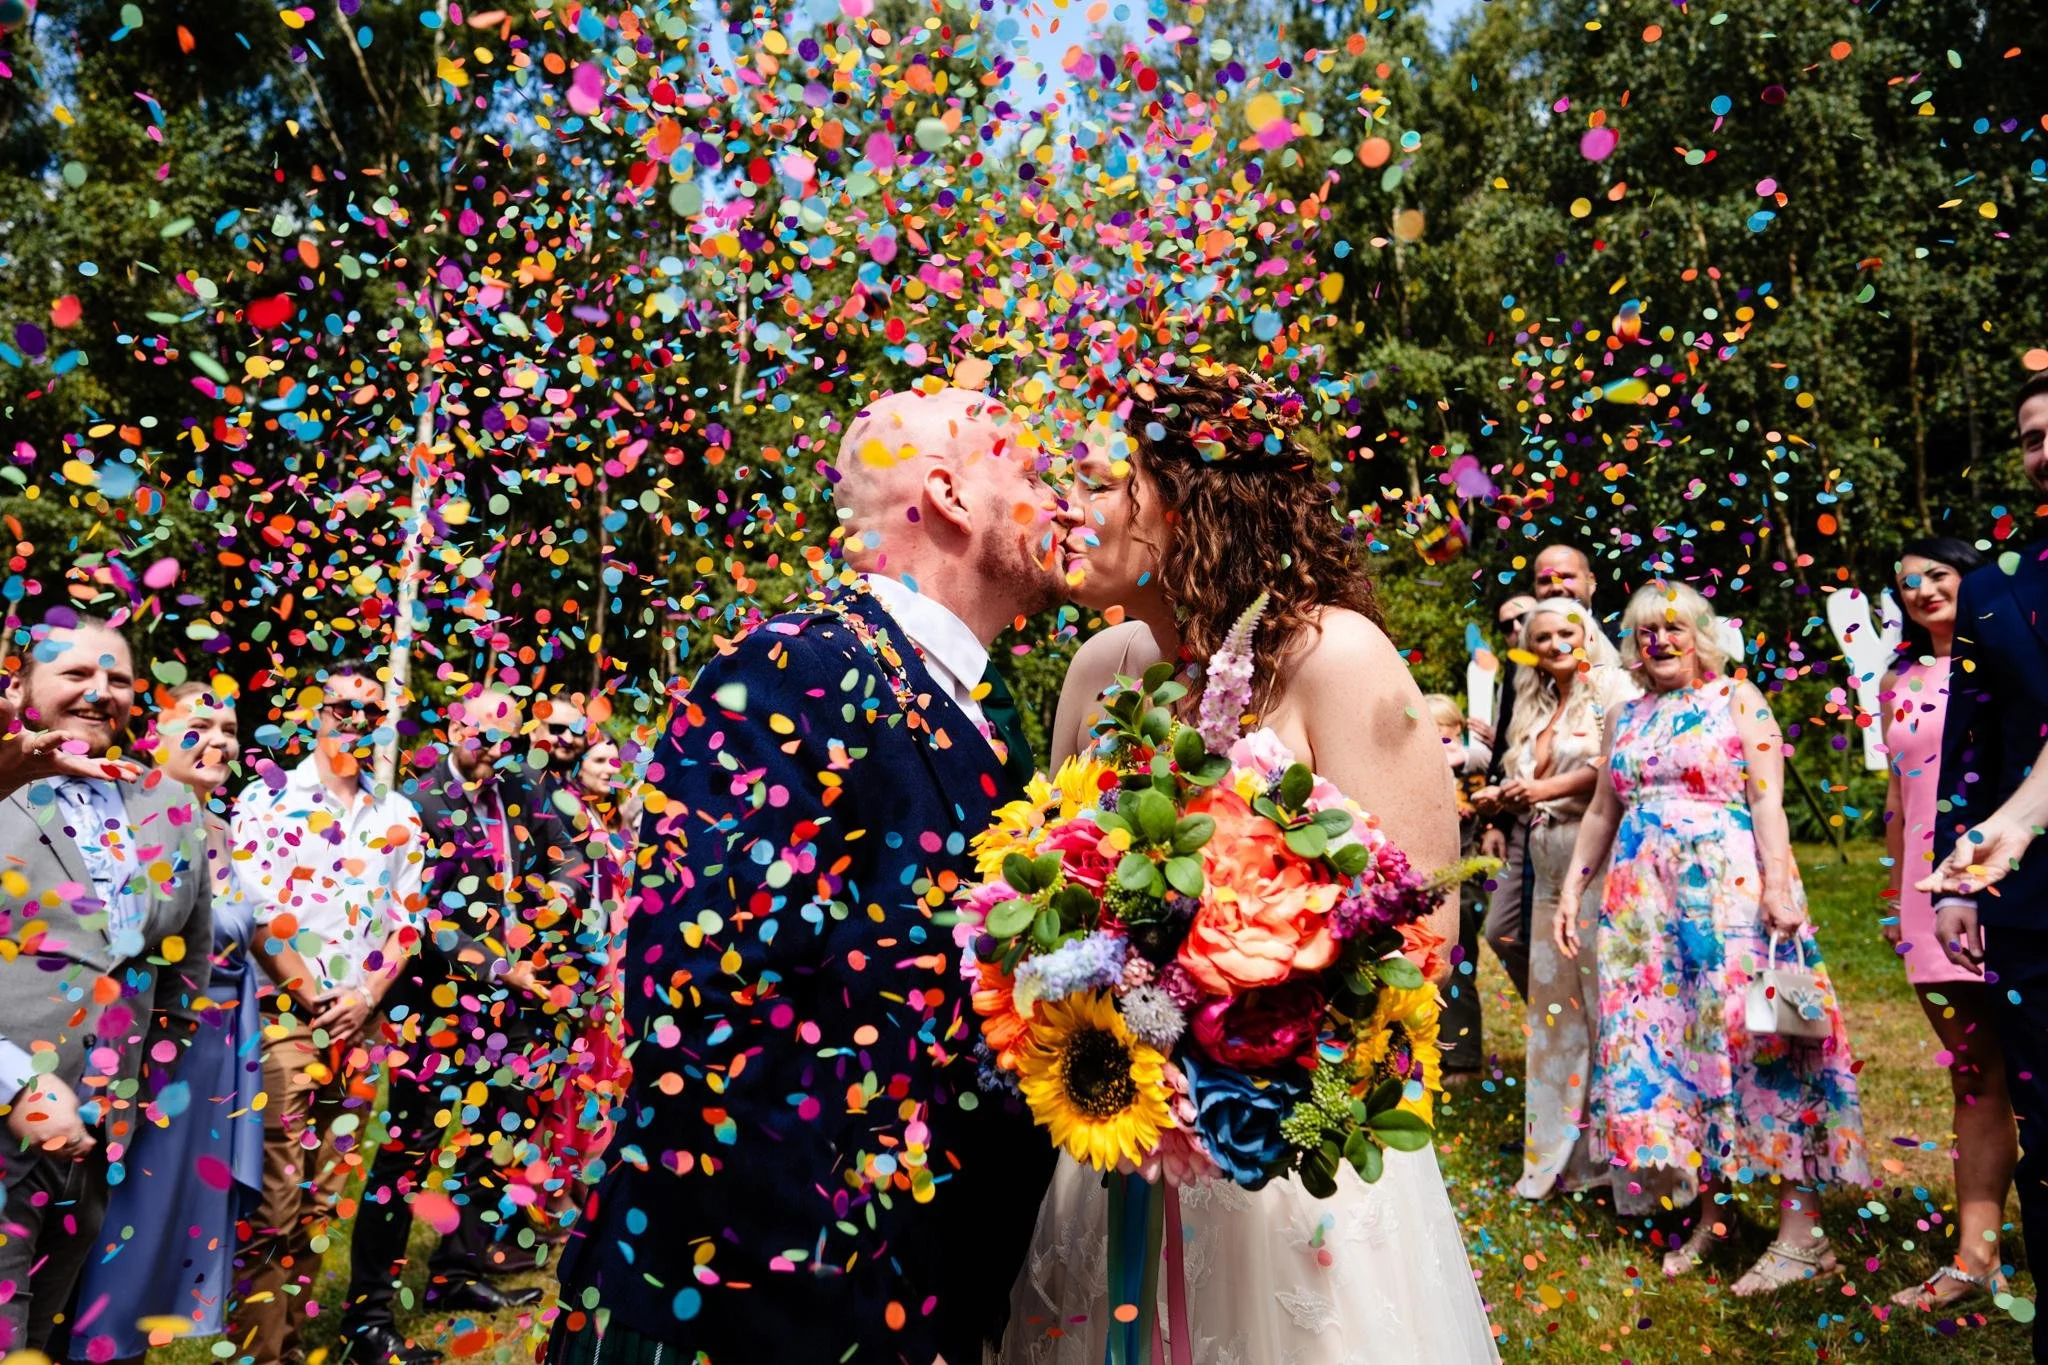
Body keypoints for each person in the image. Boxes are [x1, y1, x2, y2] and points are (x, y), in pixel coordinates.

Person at [549, 385, 1073, 1365]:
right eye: (1030, 470)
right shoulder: (797, 671)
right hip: (760, 1310)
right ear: (950, 494)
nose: (1058, 497)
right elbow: (694, 1008)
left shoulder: (985, 734)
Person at [1004, 364, 1495, 1362]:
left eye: (1104, 484)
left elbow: (1419, 935)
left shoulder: (1337, 657)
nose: (1069, 507)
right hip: (1114, 1132)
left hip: (1277, 1155)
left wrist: (1239, 1030)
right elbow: (1049, 896)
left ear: (1187, 505)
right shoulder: (1097, 671)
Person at [1555, 582, 1869, 1295]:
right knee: (1674, 1052)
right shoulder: (1623, 715)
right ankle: (1714, 1213)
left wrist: (1782, 888)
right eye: (1644, 633)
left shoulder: (1739, 699)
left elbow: (1767, 797)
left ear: (1702, 633)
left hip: (1731, 900)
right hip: (1643, 913)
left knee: (1760, 1045)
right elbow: (1604, 807)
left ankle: (1801, 1231)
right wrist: (1574, 886)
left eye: (1673, 628)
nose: (1658, 642)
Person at [338, 688, 576, 1362]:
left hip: (509, 1011)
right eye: (483, 732)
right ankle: (368, 1317)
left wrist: (557, 891)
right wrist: (502, 964)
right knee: (404, 1161)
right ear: (453, 727)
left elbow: (569, 860)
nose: (494, 746)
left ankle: (457, 1271)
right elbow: (420, 915)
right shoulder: (417, 803)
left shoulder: (522, 795)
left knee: (489, 1142)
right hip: (434, 1006)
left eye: (505, 735)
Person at [0, 615, 214, 1354]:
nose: (100, 691)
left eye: (117, 677)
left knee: (45, 1314)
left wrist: (146, 1087)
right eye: (77, 674)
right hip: (6, 1112)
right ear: (23, 684)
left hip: (97, 1130)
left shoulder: (171, 806)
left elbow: (187, 965)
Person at [228, 659, 426, 1365]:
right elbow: (254, 908)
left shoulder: (398, 813)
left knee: (323, 1199)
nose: (354, 720)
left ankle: (288, 1340)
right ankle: (260, 1350)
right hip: (286, 1021)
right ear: (317, 711)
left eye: (368, 712)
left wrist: (369, 996)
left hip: (363, 1025)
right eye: (341, 706)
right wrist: (313, 993)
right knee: (273, 1202)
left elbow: (408, 918)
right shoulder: (265, 800)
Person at [66, 682, 265, 1364]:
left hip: (210, 1062)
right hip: (144, 1057)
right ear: (155, 733)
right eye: (200, 723)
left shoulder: (221, 826)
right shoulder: (124, 809)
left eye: (230, 728)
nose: (220, 739)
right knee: (113, 1232)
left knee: (163, 1239)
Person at [1925, 370, 2048, 1356]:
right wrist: (1956, 876)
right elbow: (1967, 740)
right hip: (2027, 891)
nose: (2043, 449)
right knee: (2040, 1107)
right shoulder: (1992, 588)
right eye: (2031, 436)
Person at [1874, 537, 2013, 1309]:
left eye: (1937, 574)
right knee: (1974, 1072)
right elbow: (1899, 802)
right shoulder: (1898, 680)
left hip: (2017, 888)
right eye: (1907, 583)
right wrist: (1902, 901)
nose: (1922, 588)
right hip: (1931, 899)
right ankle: (1976, 1256)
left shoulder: (2014, 654)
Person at [1475, 598, 1632, 1201]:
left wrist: (1537, 787)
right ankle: (1562, 1158)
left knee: (1604, 1005)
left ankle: (1623, 1158)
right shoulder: (1537, 703)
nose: (1556, 642)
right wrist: (1506, 798)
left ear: (1589, 632)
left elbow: (1610, 768)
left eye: (1567, 631)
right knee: (1555, 1014)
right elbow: (1531, 781)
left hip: (1600, 860)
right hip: (1544, 857)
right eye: (1542, 636)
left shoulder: (1612, 687)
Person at [530, 737, 636, 1238]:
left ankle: (595, 1182)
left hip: (624, 961)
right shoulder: (569, 820)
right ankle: (557, 1188)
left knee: (613, 1072)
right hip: (590, 967)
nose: (610, 767)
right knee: (578, 1074)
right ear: (577, 767)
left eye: (615, 760)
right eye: (599, 759)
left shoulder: (617, 823)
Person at [1481, 549, 1595, 1000]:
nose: (1556, 585)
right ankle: (1552, 1009)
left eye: (1567, 576)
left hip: (1592, 824)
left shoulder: (1615, 663)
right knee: (1505, 931)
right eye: (1545, 579)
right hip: (1531, 821)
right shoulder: (1526, 664)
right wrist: (1496, 818)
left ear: (1590, 582)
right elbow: (1511, 741)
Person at [1425, 693, 1487, 1077]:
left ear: (1458, 730)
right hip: (1433, 877)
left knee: (1460, 964)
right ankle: (1434, 1048)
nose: (1436, 741)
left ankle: (1463, 1057)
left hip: (1465, 873)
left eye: (1443, 732)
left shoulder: (1469, 768)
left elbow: (1484, 799)